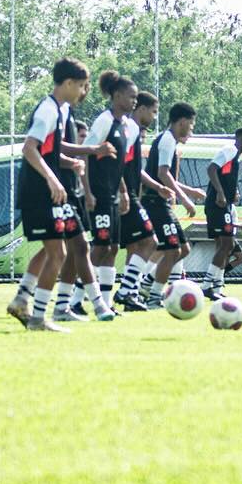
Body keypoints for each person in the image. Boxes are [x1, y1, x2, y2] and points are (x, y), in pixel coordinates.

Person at [8, 57, 91, 333]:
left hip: (44, 191)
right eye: (80, 85)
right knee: (58, 252)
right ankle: (38, 318)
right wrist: (53, 179)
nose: (82, 91)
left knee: (51, 249)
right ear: (67, 83)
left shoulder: (58, 110)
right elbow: (29, 148)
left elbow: (48, 152)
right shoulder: (48, 111)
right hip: (38, 192)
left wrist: (68, 163)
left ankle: (22, 299)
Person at [52, 95, 117, 322]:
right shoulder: (54, 111)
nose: (85, 91)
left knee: (71, 249)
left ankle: (59, 305)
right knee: (79, 247)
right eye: (82, 85)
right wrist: (90, 150)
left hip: (69, 193)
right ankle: (97, 304)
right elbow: (43, 148)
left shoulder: (66, 112)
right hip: (56, 191)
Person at [139, 102, 206, 311]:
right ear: (183, 121)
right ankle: (153, 296)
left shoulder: (168, 141)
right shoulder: (167, 140)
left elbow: (167, 177)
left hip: (160, 203)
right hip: (156, 203)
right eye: (191, 124)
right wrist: (185, 199)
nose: (192, 129)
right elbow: (163, 173)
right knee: (172, 250)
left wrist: (190, 191)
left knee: (182, 249)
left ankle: (146, 285)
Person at [82, 71, 138, 314]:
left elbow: (119, 164)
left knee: (113, 248)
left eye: (136, 97)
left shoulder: (126, 126)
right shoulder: (104, 121)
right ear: (116, 96)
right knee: (101, 246)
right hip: (99, 192)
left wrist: (123, 191)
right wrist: (87, 192)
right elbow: (85, 153)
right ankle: (75, 300)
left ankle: (106, 302)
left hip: (113, 194)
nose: (134, 101)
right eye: (131, 97)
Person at [113, 91, 169, 311]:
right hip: (127, 194)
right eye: (153, 112)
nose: (154, 117)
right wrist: (123, 191)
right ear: (142, 109)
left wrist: (157, 187)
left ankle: (131, 294)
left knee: (134, 246)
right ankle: (125, 291)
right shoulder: (131, 129)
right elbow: (118, 162)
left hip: (129, 194)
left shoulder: (132, 129)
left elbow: (135, 169)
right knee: (150, 241)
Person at [202, 128, 242, 299]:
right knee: (227, 245)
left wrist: (231, 193)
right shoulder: (230, 150)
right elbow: (211, 169)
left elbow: (223, 175)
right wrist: (220, 192)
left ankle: (217, 289)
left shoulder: (235, 158)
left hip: (224, 206)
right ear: (241, 139)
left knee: (224, 246)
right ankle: (206, 286)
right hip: (217, 205)